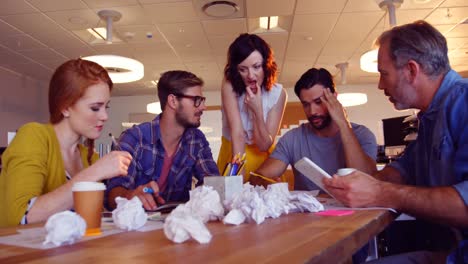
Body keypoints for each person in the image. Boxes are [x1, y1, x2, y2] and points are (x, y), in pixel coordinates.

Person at [323, 20, 468, 263]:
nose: (380, 84)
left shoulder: (463, 102)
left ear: (411, 70)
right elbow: (385, 177)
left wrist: (383, 193)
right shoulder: (429, 120)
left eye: (383, 74)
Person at [0, 59, 132, 227]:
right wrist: (95, 173)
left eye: (107, 107)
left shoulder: (88, 156)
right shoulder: (33, 135)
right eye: (95, 108)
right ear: (65, 107)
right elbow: (22, 216)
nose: (105, 116)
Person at [106, 70, 219, 211]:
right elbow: (113, 196)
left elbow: (212, 181)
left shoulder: (196, 140)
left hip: (179, 225)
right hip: (138, 225)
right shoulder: (135, 138)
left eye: (202, 101)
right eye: (197, 100)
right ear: (173, 101)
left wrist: (206, 194)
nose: (203, 107)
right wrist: (131, 195)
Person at [255, 68, 377, 190]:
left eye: (318, 102)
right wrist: (265, 183)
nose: (312, 112)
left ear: (334, 98)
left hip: (354, 209)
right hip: (309, 209)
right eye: (306, 104)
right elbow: (257, 177)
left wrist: (343, 124)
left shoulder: (363, 135)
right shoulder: (292, 139)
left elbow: (367, 182)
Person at [217, 33, 287, 182]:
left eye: (256, 67)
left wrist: (257, 111)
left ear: (266, 65)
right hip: (234, 153)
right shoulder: (229, 85)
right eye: (243, 69)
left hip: (263, 158)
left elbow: (263, 145)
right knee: (231, 198)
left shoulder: (279, 93)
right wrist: (237, 183)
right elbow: (238, 134)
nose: (250, 75)